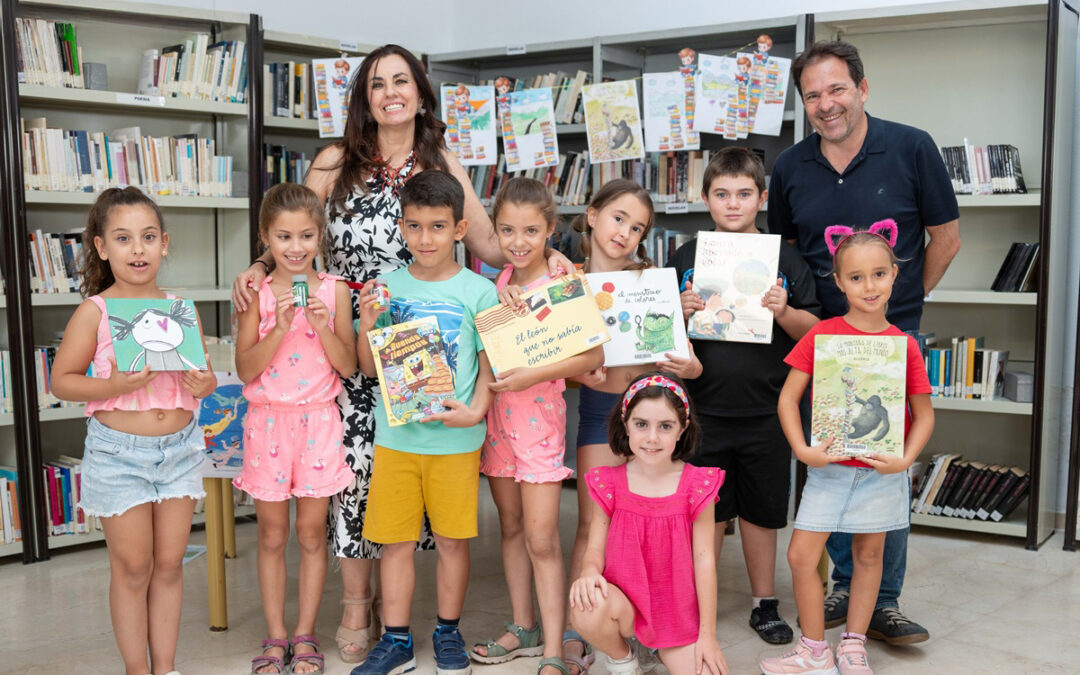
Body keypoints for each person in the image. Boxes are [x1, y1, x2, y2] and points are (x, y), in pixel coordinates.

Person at [231, 44, 572, 665]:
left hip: (428, 341)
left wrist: (550, 258)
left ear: (420, 92)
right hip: (346, 326)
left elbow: (494, 246)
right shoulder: (336, 159)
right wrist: (258, 266)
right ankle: (359, 606)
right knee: (356, 479)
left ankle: (425, 621)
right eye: (378, 83)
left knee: (422, 490)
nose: (390, 92)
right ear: (364, 95)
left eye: (402, 81)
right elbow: (295, 225)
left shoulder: (442, 161)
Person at [767, 40, 960, 645]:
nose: (827, 104)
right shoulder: (790, 167)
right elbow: (782, 255)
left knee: (882, 461)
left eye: (837, 89)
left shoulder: (911, 147)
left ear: (862, 87)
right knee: (833, 459)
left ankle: (886, 600)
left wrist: (896, 307)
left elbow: (945, 238)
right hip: (821, 341)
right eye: (814, 95)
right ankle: (846, 590)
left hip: (890, 338)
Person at [51, 187, 217, 675]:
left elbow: (202, 379)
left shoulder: (180, 309)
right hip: (119, 454)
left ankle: (165, 668)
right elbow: (62, 380)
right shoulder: (94, 312)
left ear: (164, 243)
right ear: (102, 247)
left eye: (148, 237)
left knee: (169, 566)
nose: (138, 249)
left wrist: (204, 382)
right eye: (123, 239)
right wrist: (111, 385)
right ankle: (135, 670)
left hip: (181, 451)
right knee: (133, 569)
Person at [759, 224, 934, 675]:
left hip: (881, 471)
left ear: (895, 275)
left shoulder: (904, 346)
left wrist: (906, 459)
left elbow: (925, 414)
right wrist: (803, 449)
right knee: (800, 556)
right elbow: (786, 398)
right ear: (838, 282)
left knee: (869, 556)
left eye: (879, 274)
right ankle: (814, 649)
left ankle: (853, 646)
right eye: (856, 277)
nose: (869, 286)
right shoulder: (822, 337)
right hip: (829, 468)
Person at [669, 147, 820, 645]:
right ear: (706, 198)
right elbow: (662, 334)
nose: (732, 204)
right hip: (702, 410)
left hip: (768, 412)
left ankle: (764, 602)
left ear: (761, 198)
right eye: (721, 194)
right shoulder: (687, 257)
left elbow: (813, 332)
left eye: (743, 194)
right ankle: (699, 600)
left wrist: (783, 310)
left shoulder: (786, 259)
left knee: (761, 512)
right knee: (706, 512)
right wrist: (683, 311)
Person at [352, 170, 499, 675]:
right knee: (395, 542)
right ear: (400, 226)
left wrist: (478, 411)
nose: (425, 239)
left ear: (460, 229)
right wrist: (369, 325)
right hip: (397, 438)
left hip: (456, 441)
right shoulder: (384, 288)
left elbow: (492, 363)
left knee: (454, 542)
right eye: (413, 227)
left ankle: (448, 633)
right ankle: (396, 640)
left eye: (437, 227)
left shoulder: (481, 291)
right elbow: (368, 367)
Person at [565, 179, 702, 675]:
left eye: (638, 227)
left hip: (646, 417)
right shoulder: (569, 280)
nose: (625, 232)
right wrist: (580, 372)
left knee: (651, 522)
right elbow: (556, 359)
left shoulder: (652, 285)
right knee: (591, 521)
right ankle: (576, 628)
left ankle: (648, 620)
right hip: (600, 414)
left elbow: (685, 363)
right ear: (594, 214)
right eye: (619, 218)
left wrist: (684, 348)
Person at [470, 178, 604, 675]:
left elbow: (592, 354)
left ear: (550, 229)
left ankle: (554, 646)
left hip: (541, 428)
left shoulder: (562, 279)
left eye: (530, 230)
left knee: (543, 538)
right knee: (510, 527)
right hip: (498, 426)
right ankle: (523, 626)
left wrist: (534, 374)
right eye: (507, 230)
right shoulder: (498, 284)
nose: (518, 241)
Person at [233, 183, 358, 674]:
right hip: (267, 425)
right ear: (266, 237)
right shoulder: (254, 292)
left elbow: (348, 367)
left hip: (319, 423)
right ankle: (275, 635)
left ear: (319, 236)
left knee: (310, 534)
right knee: (271, 535)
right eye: (283, 237)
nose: (295, 247)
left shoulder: (336, 291)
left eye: (306, 236)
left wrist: (324, 326)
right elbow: (245, 370)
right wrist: (279, 327)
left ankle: (305, 636)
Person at [569, 372, 728, 675]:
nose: (652, 437)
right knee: (585, 604)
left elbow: (705, 561)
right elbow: (594, 549)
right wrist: (589, 572)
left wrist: (708, 636)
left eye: (665, 426)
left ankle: (666, 649)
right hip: (626, 610)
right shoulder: (608, 482)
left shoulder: (698, 484)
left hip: (677, 618)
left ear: (683, 429)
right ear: (625, 423)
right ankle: (625, 658)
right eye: (641, 424)